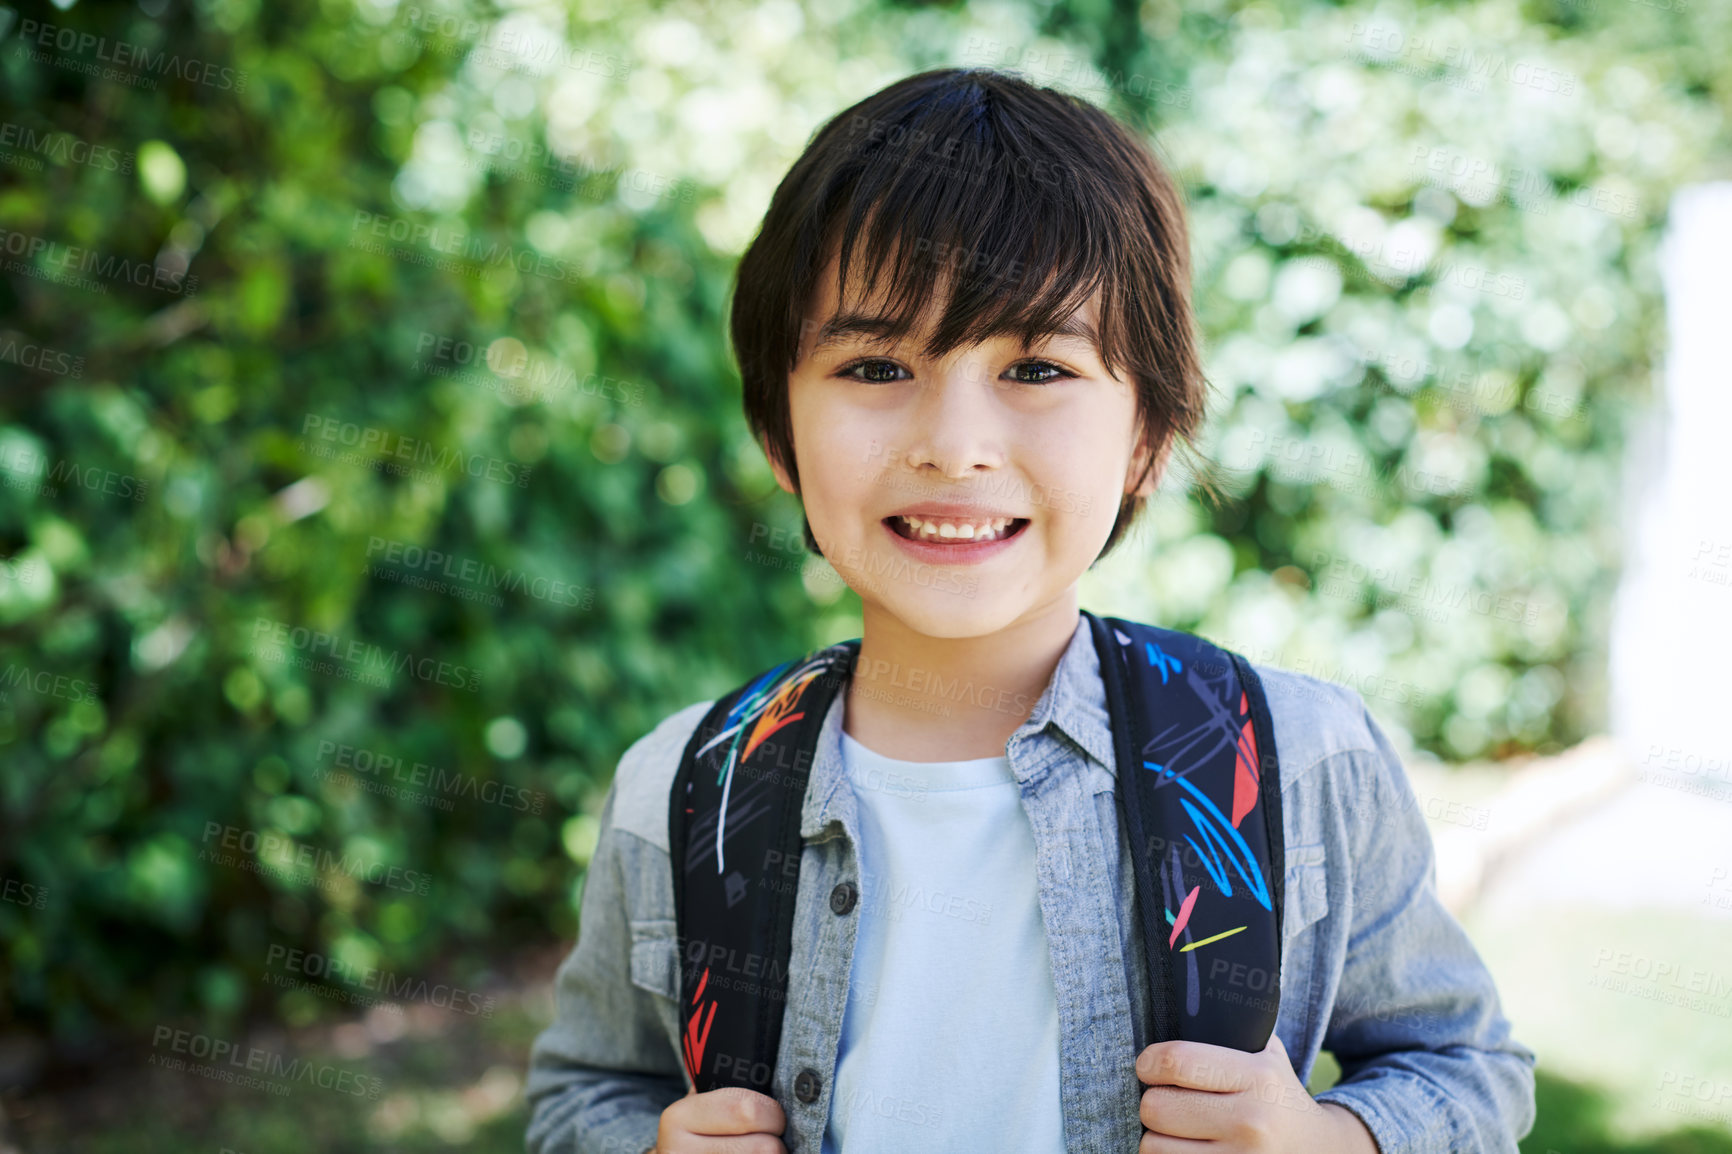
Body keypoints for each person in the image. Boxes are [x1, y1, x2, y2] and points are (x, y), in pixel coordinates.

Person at [525, 66, 1537, 1154]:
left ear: (1145, 432)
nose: (953, 444)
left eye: (1036, 366)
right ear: (779, 431)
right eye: (875, 364)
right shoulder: (686, 785)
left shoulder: (1296, 760)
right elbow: (587, 1086)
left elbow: (1465, 1064)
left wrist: (1334, 1138)